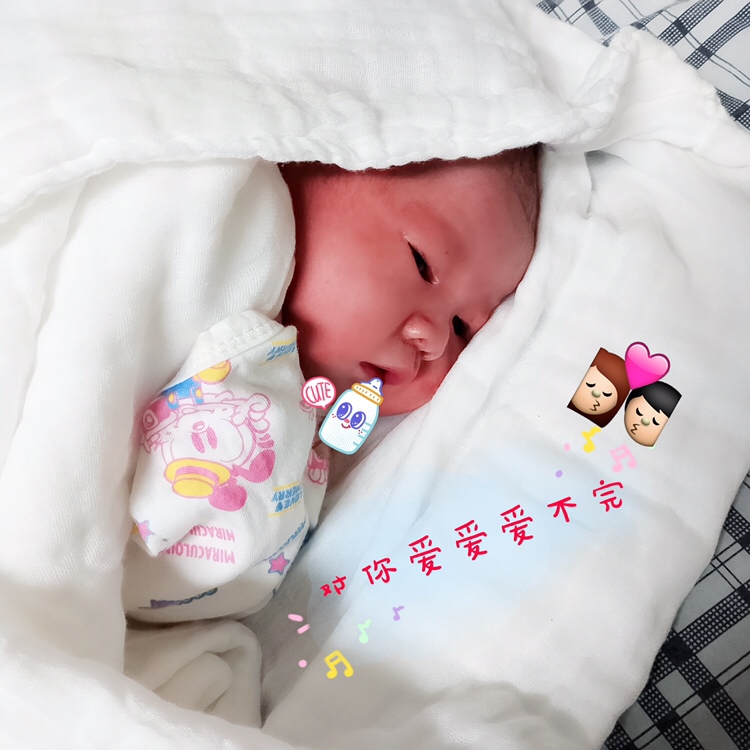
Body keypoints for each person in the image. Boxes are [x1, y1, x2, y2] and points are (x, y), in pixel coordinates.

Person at [122, 147, 541, 623]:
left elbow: (185, 584)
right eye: (422, 263)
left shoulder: (299, 456)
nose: (436, 339)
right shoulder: (213, 207)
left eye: (463, 328)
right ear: (312, 156)